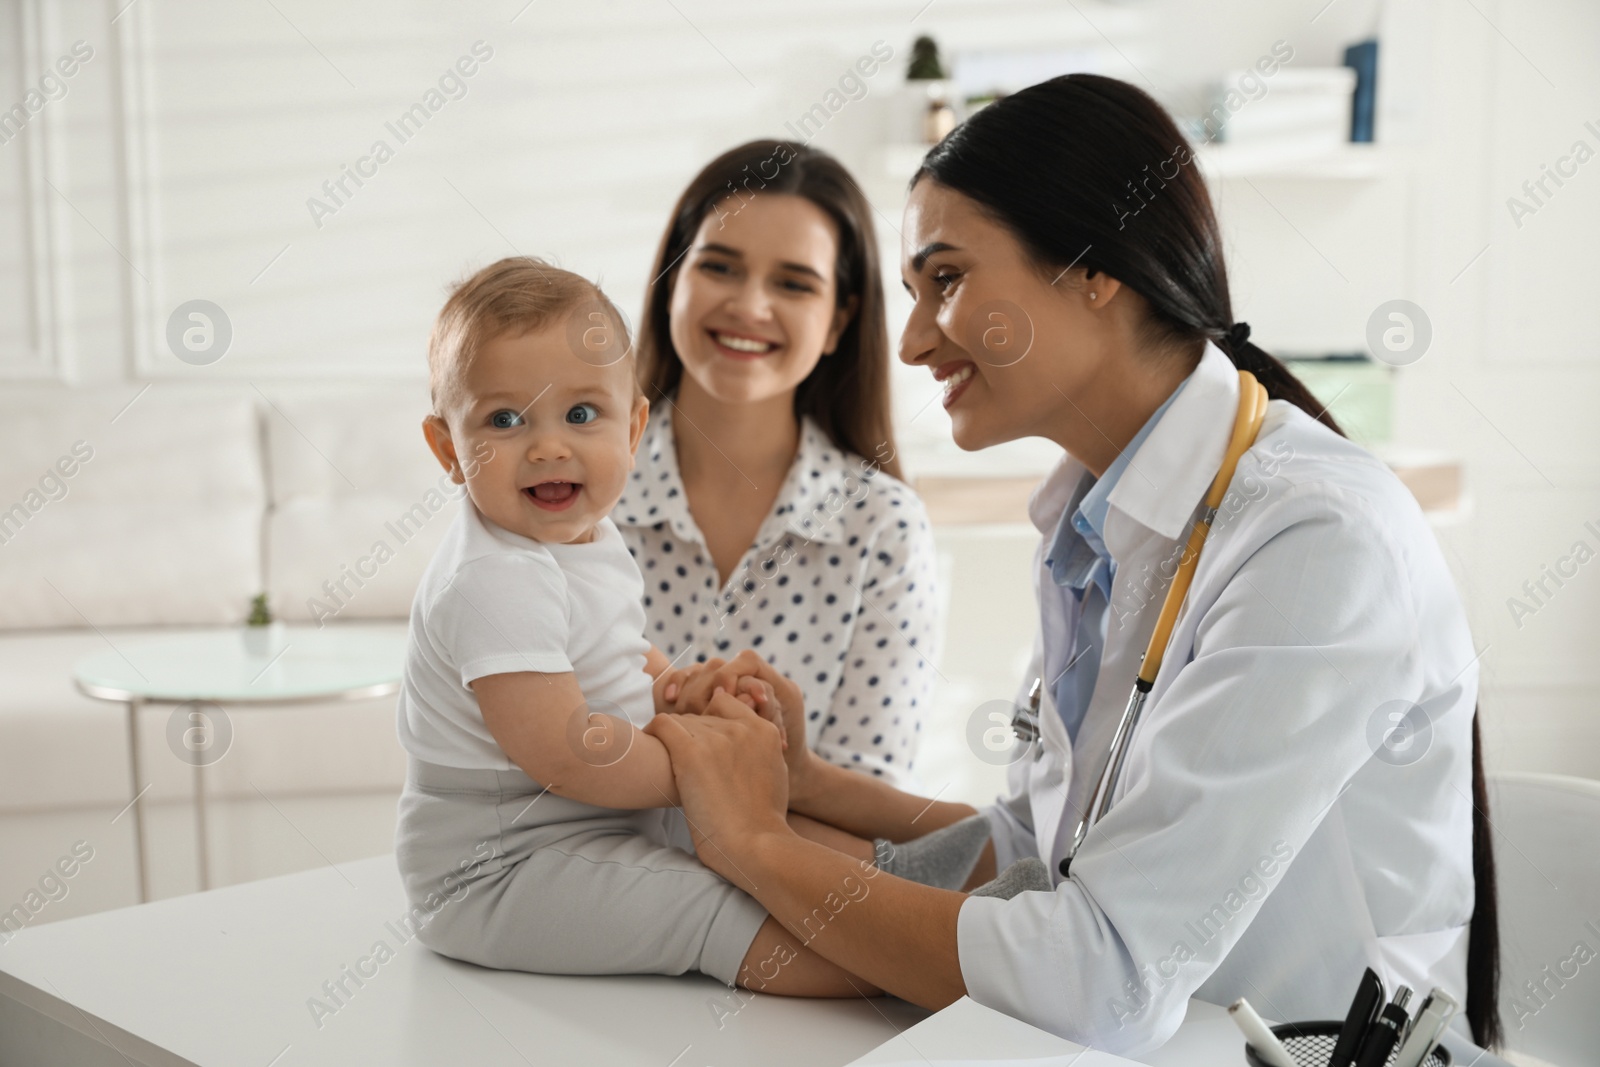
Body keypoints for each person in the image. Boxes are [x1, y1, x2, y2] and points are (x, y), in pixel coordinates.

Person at [643, 74, 1503, 1057]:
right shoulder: (1093, 522)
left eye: (949, 279)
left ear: (1096, 266)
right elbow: (1032, 850)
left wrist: (753, 843)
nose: (917, 337)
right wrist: (810, 781)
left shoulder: (1316, 539)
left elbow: (1100, 974)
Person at [391, 257, 913, 996]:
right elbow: (564, 754)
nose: (547, 446)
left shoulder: (586, 537)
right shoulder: (493, 579)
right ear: (448, 449)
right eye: (504, 419)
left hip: (599, 825)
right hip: (502, 871)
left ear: (633, 427)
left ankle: (925, 899)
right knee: (707, 902)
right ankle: (896, 975)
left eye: (580, 414)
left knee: (788, 843)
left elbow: (616, 654)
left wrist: (677, 688)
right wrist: (709, 772)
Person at [615, 141, 939, 789]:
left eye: (793, 283)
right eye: (720, 267)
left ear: (837, 322)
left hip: (786, 888)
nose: (750, 306)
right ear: (673, 280)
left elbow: (867, 798)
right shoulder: (571, 498)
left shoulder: (883, 527)